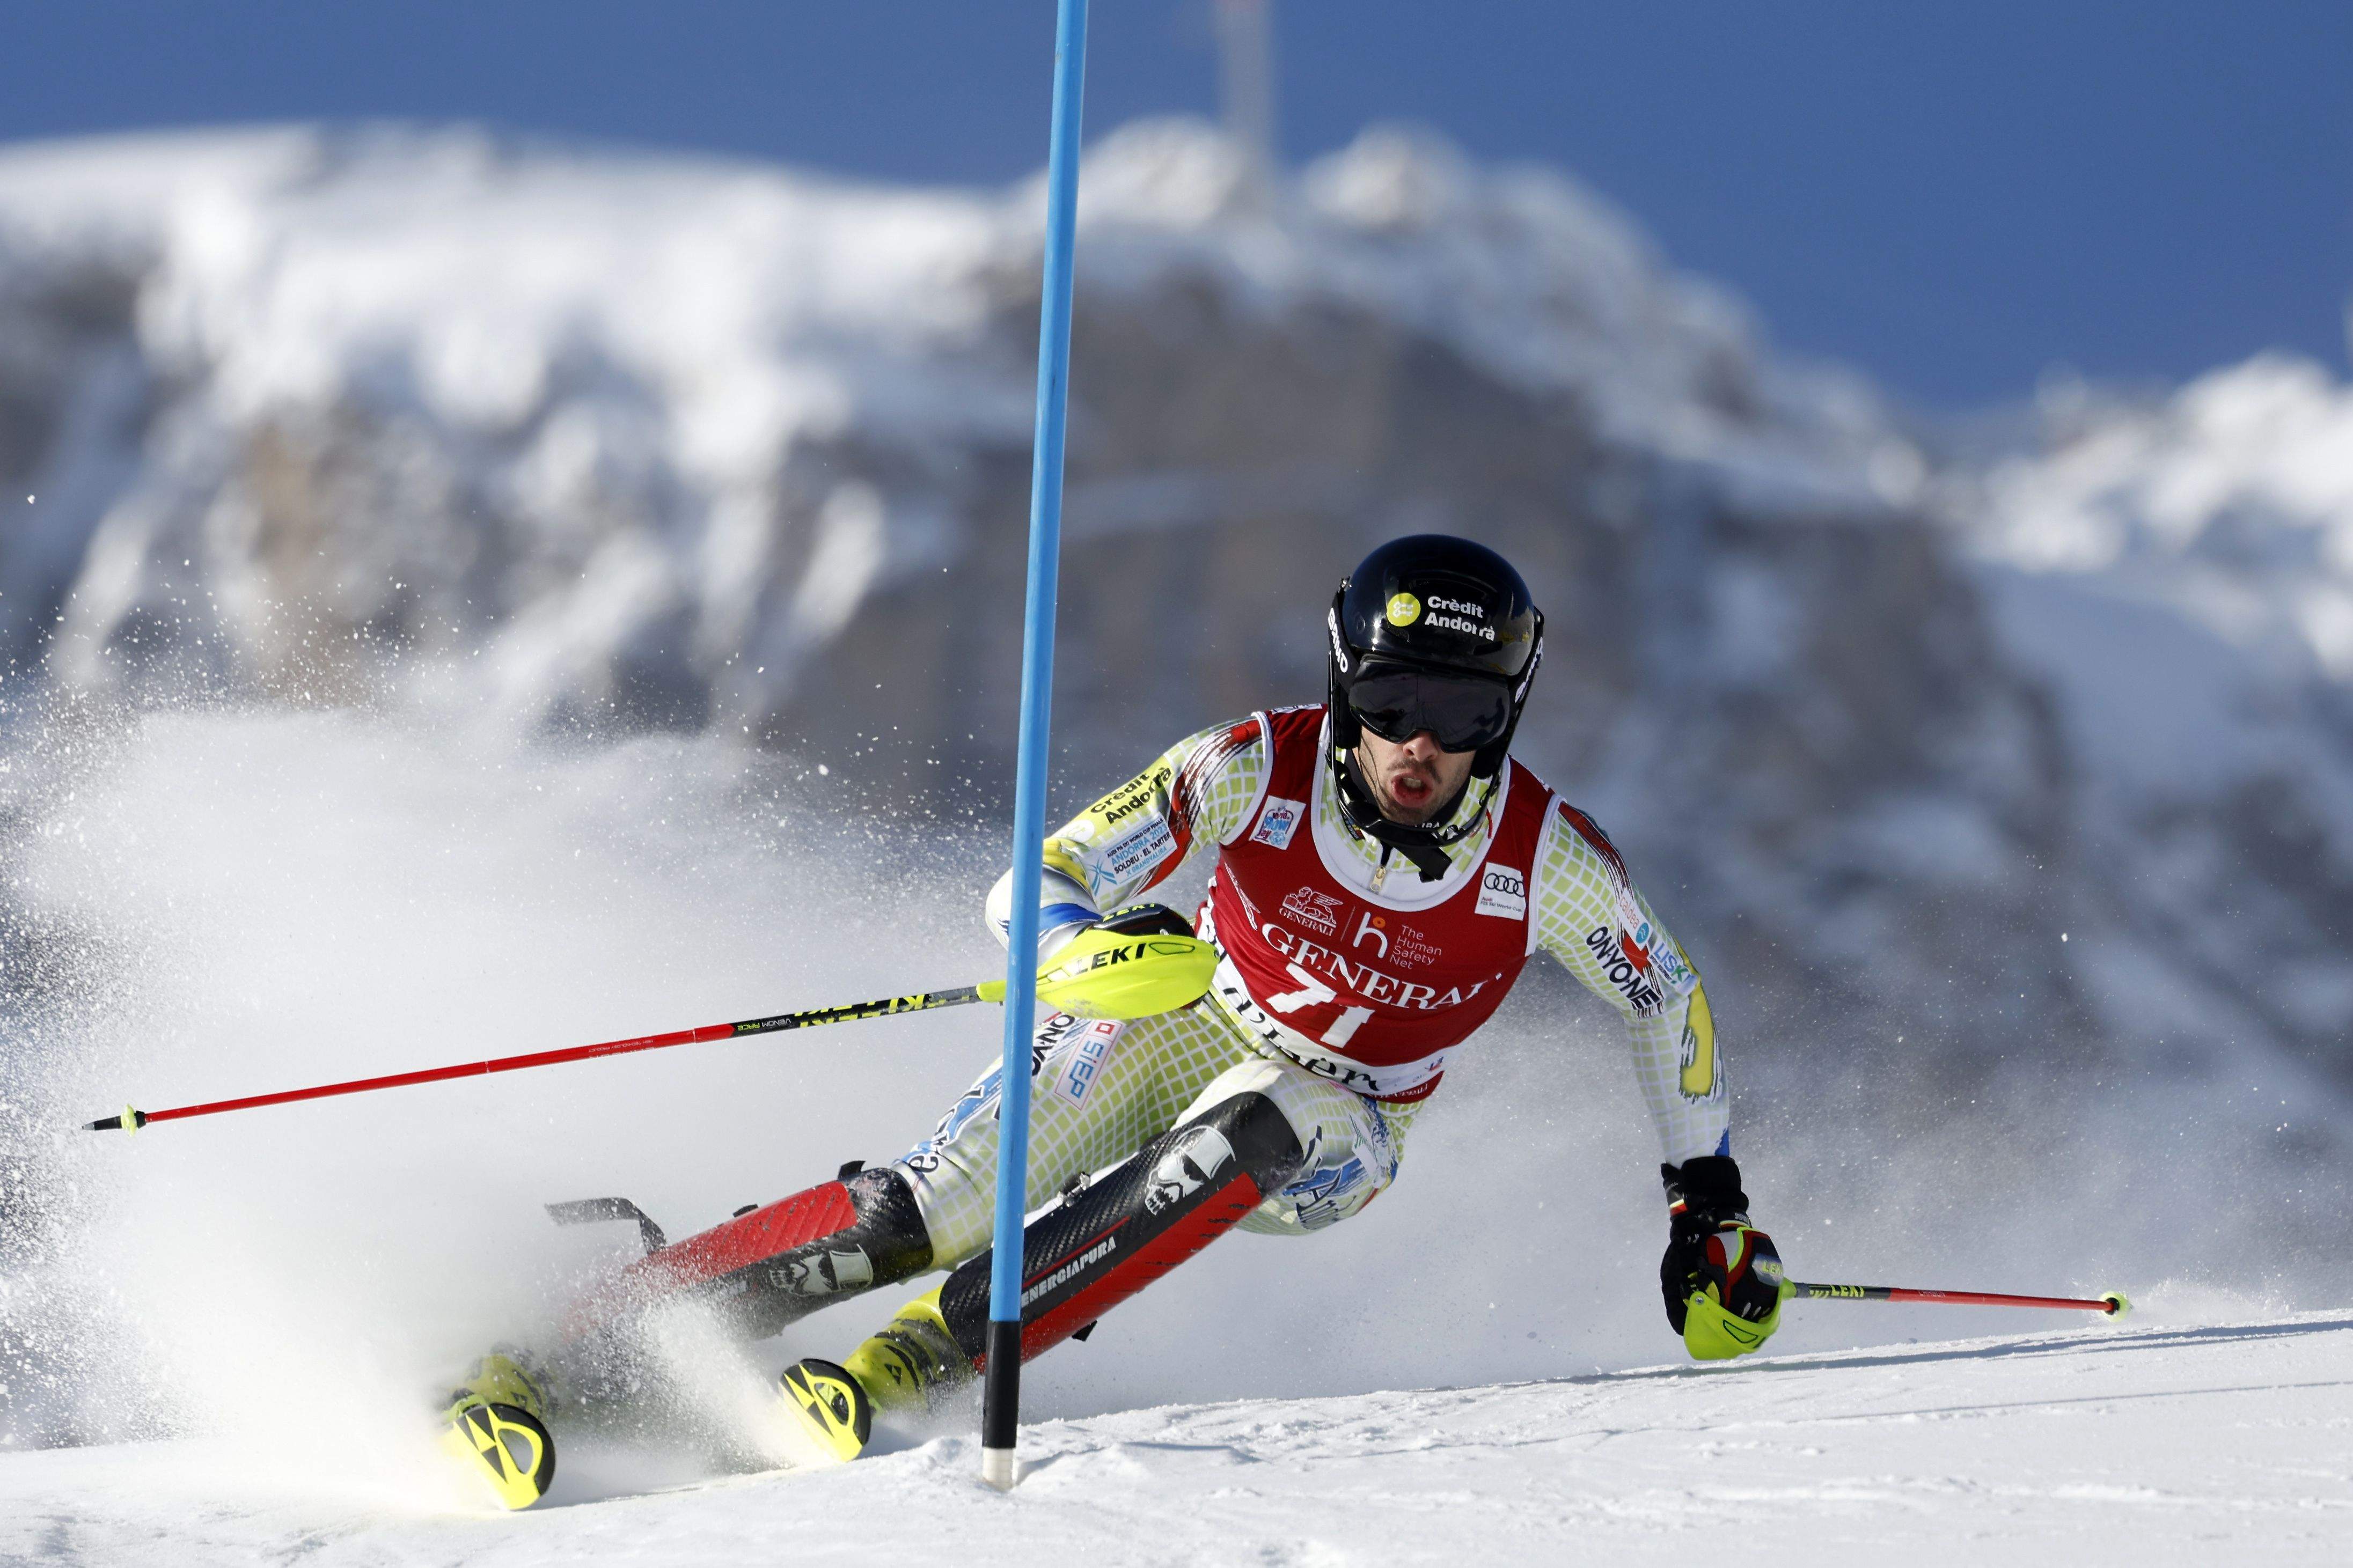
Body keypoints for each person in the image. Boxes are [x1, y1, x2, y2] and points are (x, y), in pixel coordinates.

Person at [442, 533, 1784, 1508]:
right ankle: (569, 1345)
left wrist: (1704, 1205)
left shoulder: (1547, 860)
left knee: (1250, 1127)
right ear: (1344, 687)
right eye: (1389, 705)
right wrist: (1088, 944)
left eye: (1462, 712)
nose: (1419, 746)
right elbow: (1033, 881)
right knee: (923, 1205)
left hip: (1350, 1116)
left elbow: (1664, 993)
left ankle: (920, 1359)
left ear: (1507, 712)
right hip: (1187, 1010)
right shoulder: (1250, 767)